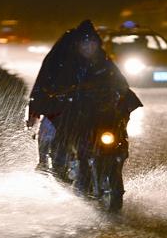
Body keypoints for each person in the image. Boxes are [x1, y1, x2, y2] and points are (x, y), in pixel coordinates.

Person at [27, 20, 143, 184]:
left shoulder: (103, 62)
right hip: (68, 110)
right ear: (77, 44)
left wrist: (121, 97)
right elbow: (43, 83)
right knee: (54, 135)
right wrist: (37, 108)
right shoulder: (62, 62)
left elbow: (120, 83)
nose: (89, 47)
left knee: (118, 136)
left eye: (92, 43)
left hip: (97, 114)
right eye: (85, 43)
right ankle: (52, 166)